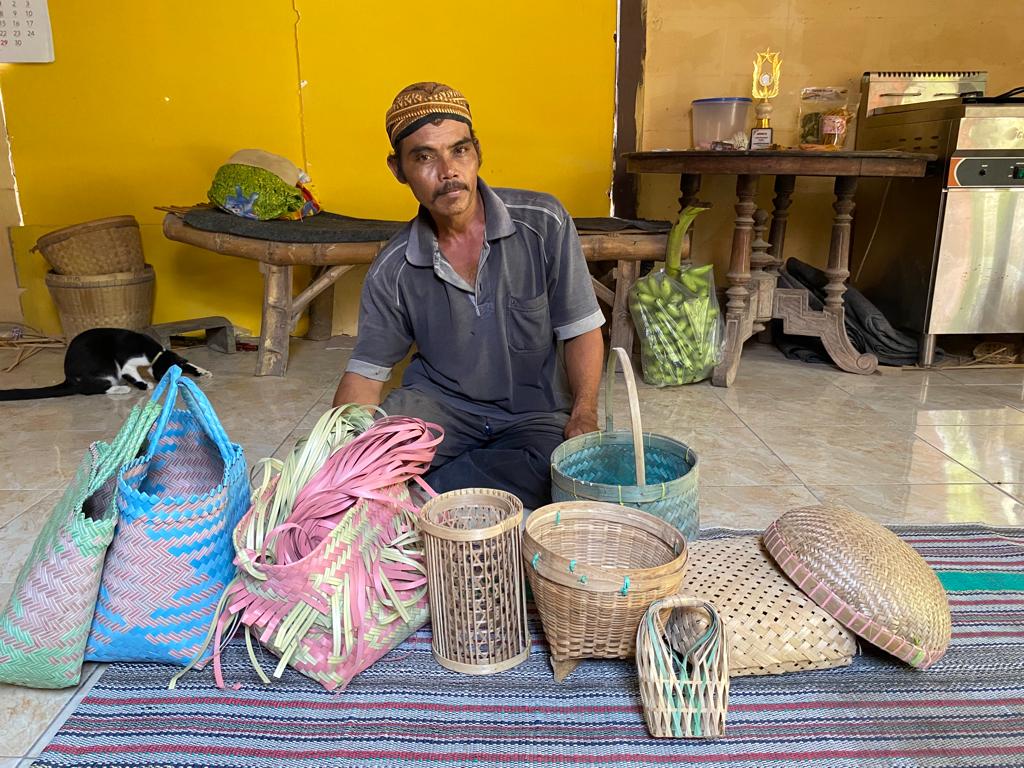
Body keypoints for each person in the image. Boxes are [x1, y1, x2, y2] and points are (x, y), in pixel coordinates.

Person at [332, 82, 604, 509]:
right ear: (397, 168)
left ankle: (429, 496)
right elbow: (366, 377)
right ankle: (456, 492)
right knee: (368, 466)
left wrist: (584, 413)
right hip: (440, 407)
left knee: (561, 471)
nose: (448, 171)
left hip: (534, 413)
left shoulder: (543, 223)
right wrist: (341, 453)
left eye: (459, 151)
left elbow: (581, 330)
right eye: (424, 157)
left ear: (477, 152)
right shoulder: (394, 266)